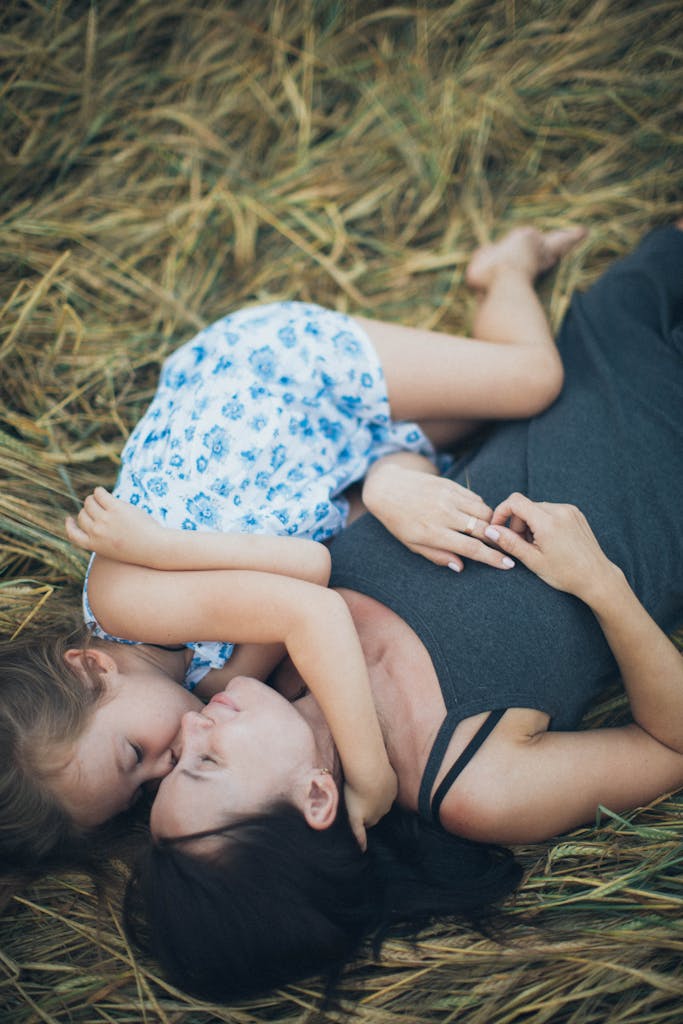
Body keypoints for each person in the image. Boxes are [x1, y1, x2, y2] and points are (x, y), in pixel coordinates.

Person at [122, 221, 683, 999]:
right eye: (205, 762)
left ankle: (503, 273)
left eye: (172, 765)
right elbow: (669, 743)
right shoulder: (474, 784)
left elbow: (363, 459)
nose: (187, 729)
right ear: (316, 797)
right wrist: (599, 585)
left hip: (595, 352)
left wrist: (388, 485)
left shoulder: (262, 644)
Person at [0, 225, 583, 868]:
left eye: (134, 756)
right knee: (480, 420)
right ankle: (426, 406)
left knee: (532, 380)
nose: (163, 767)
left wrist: (371, 775)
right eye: (142, 792)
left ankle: (506, 267)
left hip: (276, 377)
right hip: (329, 461)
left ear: (90, 669)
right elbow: (310, 567)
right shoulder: (216, 682)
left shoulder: (124, 601)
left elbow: (314, 613)